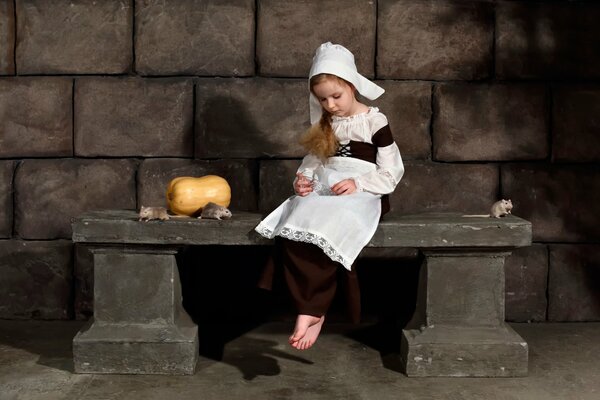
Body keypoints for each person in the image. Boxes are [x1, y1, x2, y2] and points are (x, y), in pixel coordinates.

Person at [255, 42, 404, 350]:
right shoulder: (327, 122)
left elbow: (391, 171)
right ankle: (311, 309)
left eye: (336, 96)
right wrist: (304, 181)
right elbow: (313, 161)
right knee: (299, 215)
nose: (331, 105)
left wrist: (358, 184)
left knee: (334, 216)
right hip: (327, 188)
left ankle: (312, 308)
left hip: (365, 191)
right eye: (322, 99)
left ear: (352, 85)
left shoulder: (375, 121)